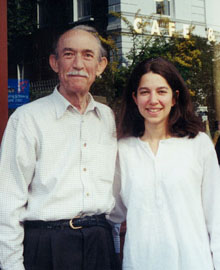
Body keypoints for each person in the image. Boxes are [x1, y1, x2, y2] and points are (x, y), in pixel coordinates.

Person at [0, 25, 120, 270]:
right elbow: (8, 201)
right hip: (48, 246)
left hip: (100, 243)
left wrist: (115, 247)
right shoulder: (27, 119)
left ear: (101, 65)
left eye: (88, 55)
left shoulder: (109, 118)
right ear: (54, 63)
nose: (78, 64)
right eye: (68, 54)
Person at [110, 57, 220, 269]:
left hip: (194, 263)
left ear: (174, 97)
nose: (153, 100)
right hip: (141, 263)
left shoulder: (198, 144)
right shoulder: (123, 150)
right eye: (144, 92)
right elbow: (114, 213)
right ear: (134, 97)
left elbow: (216, 216)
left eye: (161, 91)